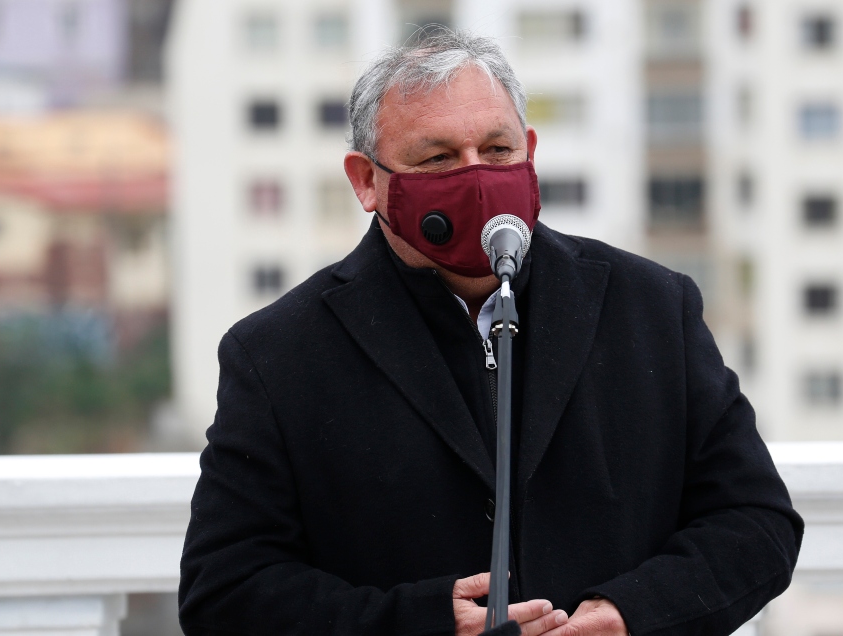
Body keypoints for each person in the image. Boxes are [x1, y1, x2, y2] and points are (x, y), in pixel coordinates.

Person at [179, 29, 802, 636]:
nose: (476, 177)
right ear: (366, 180)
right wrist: (419, 622)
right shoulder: (278, 354)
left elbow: (757, 523)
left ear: (530, 151)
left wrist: (627, 616)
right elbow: (225, 588)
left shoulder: (652, 309)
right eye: (439, 158)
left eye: (498, 151)